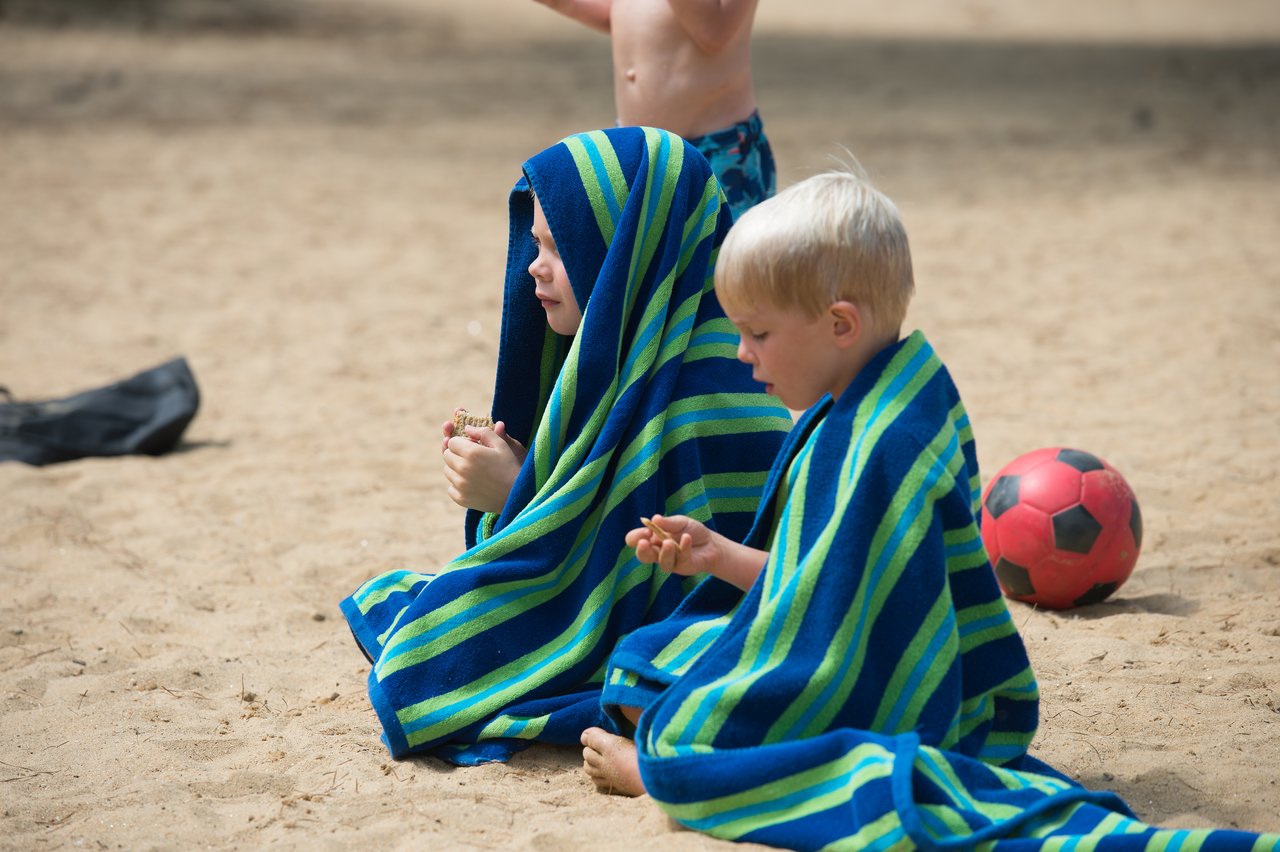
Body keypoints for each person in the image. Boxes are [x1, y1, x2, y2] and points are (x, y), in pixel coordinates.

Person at [579, 171, 1280, 850]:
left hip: (892, 697)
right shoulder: (872, 397)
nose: (741, 352)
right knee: (643, 662)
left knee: (678, 740)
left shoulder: (886, 442)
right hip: (854, 652)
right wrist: (717, 556)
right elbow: (826, 585)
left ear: (839, 324)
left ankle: (665, 781)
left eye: (758, 333)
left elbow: (844, 646)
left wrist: (671, 764)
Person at [340, 126, 793, 765]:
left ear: (620, 256)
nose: (535, 266)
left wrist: (516, 493)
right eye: (535, 244)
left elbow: (652, 576)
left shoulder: (712, 393)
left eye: (561, 248)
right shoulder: (625, 357)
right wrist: (526, 478)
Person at [532, 0, 775, 219]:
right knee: (646, 261)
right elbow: (627, 15)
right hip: (639, 148)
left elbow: (713, 31)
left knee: (723, 262)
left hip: (717, 151)